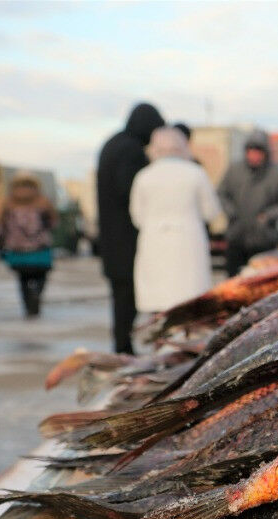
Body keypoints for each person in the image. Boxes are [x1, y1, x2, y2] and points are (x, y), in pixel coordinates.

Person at [130, 127, 225, 314]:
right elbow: (211, 211)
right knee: (189, 302)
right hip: (188, 243)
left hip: (153, 242)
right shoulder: (196, 173)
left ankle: (160, 340)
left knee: (158, 303)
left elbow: (137, 216)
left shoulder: (144, 176)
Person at [97, 102, 165, 353]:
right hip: (126, 239)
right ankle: (124, 348)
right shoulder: (131, 150)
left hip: (112, 236)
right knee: (127, 297)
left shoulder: (113, 144)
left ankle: (122, 344)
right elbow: (132, 192)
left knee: (121, 297)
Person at [216, 129, 278, 276]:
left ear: (266, 153)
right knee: (233, 283)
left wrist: (268, 215)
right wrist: (231, 212)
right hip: (237, 237)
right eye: (250, 150)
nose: (254, 155)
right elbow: (221, 194)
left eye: (258, 151)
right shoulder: (234, 170)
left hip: (265, 240)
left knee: (262, 283)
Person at [0, 174, 56, 318]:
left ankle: (28, 305)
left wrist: (1, 244)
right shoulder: (43, 202)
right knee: (41, 276)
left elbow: (0, 227)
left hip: (17, 249)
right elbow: (52, 223)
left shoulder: (8, 203)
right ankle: (36, 296)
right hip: (39, 247)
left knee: (23, 278)